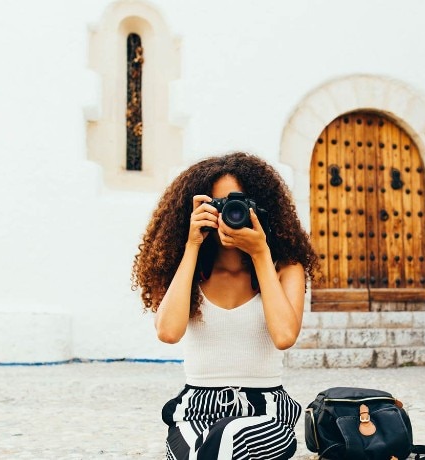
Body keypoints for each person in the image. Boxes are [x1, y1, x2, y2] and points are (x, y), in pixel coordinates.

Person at [131, 152, 318, 459]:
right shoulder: (184, 270)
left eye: (240, 203)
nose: (230, 213)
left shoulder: (285, 268)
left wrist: (260, 254)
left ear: (262, 210)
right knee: (202, 448)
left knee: (229, 438)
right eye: (217, 206)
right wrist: (191, 245)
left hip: (266, 412)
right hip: (196, 411)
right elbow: (168, 332)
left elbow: (285, 336)